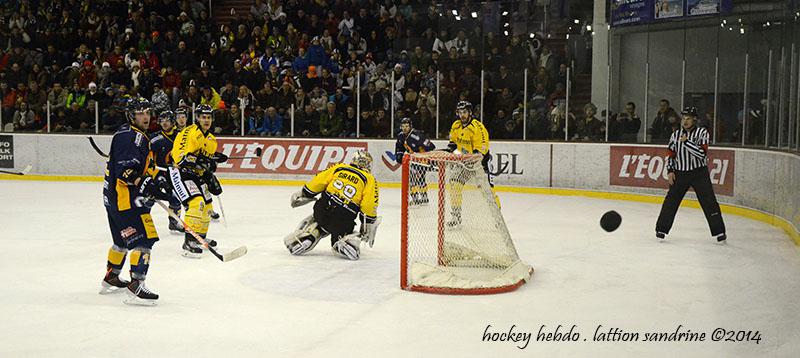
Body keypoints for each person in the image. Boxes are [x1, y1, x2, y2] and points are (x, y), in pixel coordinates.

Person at [100, 97, 172, 305]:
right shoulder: (129, 136)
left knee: (121, 241)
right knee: (144, 240)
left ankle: (111, 277)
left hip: (116, 199)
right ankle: (135, 286)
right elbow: (126, 171)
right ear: (131, 115)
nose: (146, 116)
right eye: (140, 113)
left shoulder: (135, 135)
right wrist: (145, 183)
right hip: (125, 200)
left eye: (147, 112)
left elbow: (141, 167)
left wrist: (154, 179)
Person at [284, 150, 380, 261]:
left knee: (318, 220)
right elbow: (369, 204)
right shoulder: (369, 179)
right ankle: (343, 242)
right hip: (343, 219)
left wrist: (305, 193)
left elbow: (318, 181)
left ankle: (313, 232)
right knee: (342, 232)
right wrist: (367, 223)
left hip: (322, 209)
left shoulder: (339, 167)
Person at [655, 107, 727, 243]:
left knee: (709, 202)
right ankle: (661, 229)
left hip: (699, 173)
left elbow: (702, 153)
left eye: (688, 118)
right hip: (680, 173)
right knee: (671, 201)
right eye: (683, 118)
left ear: (695, 119)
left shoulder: (702, 132)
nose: (685, 121)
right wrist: (670, 171)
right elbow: (671, 154)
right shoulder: (675, 135)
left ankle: (719, 231)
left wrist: (686, 142)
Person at [170, 104, 229, 258]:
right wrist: (201, 160)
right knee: (196, 204)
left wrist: (214, 159)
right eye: (203, 117)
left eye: (209, 117)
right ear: (197, 118)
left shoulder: (211, 139)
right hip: (181, 173)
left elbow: (206, 161)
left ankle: (199, 236)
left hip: (197, 175)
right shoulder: (189, 132)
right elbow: (180, 157)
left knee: (208, 206)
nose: (206, 120)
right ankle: (189, 242)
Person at [444, 101, 498, 226]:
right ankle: (456, 216)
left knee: (488, 191)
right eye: (460, 112)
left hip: (480, 164)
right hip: (464, 163)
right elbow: (452, 145)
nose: (462, 115)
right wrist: (451, 155)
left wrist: (472, 158)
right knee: (454, 184)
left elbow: (481, 151)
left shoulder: (477, 127)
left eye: (464, 112)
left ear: (470, 113)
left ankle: (497, 217)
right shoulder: (456, 125)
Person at [149, 110, 184, 233]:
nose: (164, 123)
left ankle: (174, 223)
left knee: (175, 198)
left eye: (167, 120)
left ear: (172, 122)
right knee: (149, 197)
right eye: (162, 121)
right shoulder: (155, 138)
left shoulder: (181, 136)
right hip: (159, 173)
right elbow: (145, 151)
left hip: (175, 173)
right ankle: (141, 220)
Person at [395, 117, 435, 205]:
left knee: (420, 178)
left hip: (421, 160)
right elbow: (399, 146)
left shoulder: (417, 135)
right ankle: (416, 198)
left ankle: (424, 197)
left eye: (406, 126)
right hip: (413, 160)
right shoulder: (401, 135)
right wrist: (399, 154)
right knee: (412, 178)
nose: (404, 128)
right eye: (403, 126)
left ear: (410, 126)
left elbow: (431, 146)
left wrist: (424, 156)